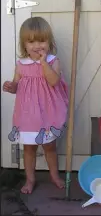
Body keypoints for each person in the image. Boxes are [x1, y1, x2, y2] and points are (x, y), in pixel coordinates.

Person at [2, 17, 69, 194]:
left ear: (49, 42)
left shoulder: (53, 61)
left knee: (49, 147)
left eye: (41, 40)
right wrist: (11, 87)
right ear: (24, 44)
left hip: (47, 112)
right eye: (31, 42)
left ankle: (54, 176)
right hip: (27, 114)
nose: (37, 45)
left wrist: (43, 62)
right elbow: (17, 85)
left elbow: (53, 81)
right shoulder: (20, 64)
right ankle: (30, 179)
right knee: (29, 148)